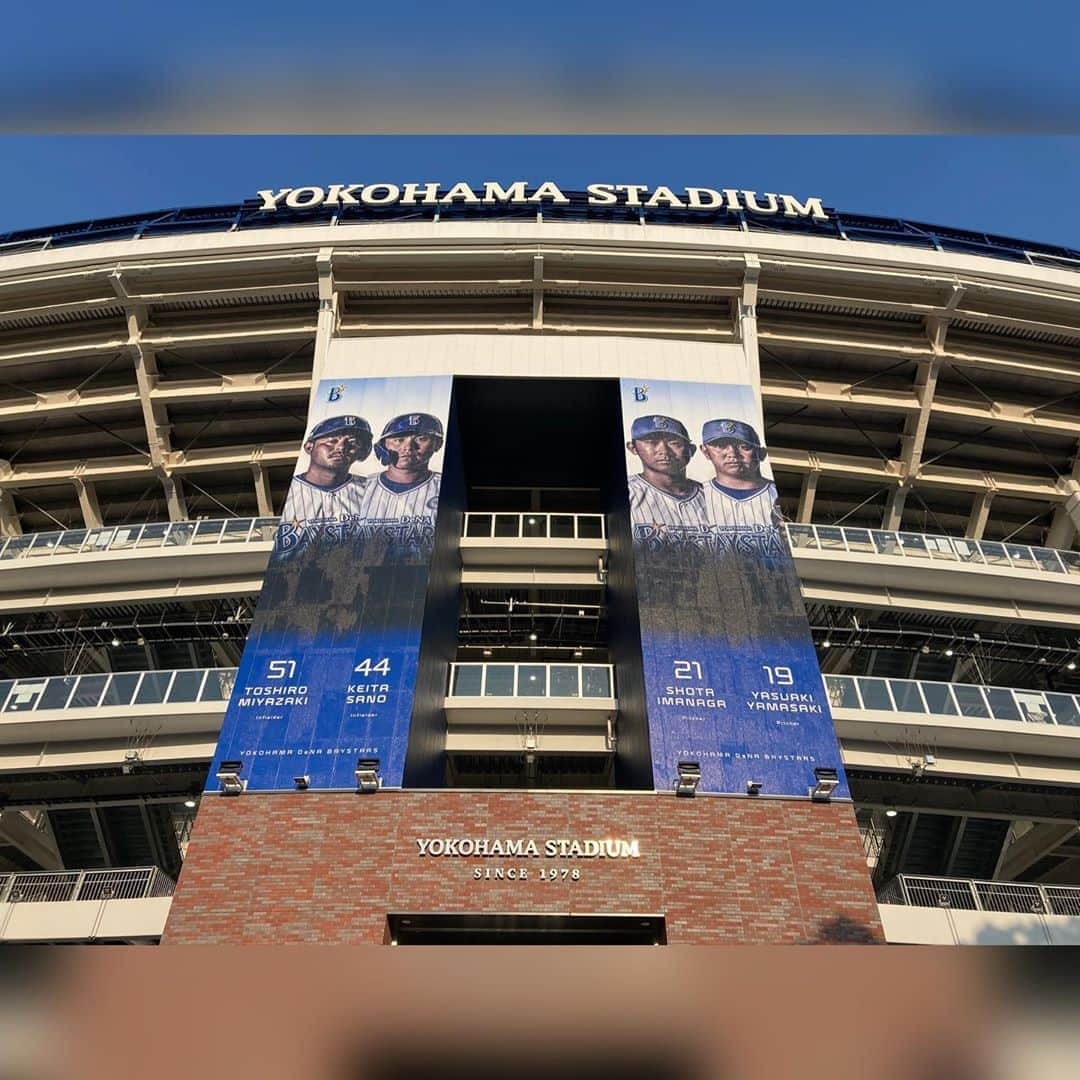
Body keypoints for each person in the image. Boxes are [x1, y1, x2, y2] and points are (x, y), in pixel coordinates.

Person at [282, 415, 371, 524]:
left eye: (352, 444)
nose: (341, 448)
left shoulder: (372, 491)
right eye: (332, 441)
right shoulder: (290, 490)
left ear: (361, 452)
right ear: (309, 447)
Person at [626, 415, 708, 534]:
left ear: (691, 450)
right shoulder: (627, 492)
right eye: (652, 442)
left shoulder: (711, 496)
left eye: (674, 443)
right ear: (633, 448)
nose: (664, 450)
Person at [361, 412, 444, 524]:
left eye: (421, 439)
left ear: (438, 444)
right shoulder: (361, 487)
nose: (408, 447)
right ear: (384, 445)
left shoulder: (447, 488)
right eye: (399, 440)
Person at [699, 418, 782, 529]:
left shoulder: (778, 495)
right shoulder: (697, 496)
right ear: (705, 451)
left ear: (761, 453)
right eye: (721, 446)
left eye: (744, 447)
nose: (733, 454)